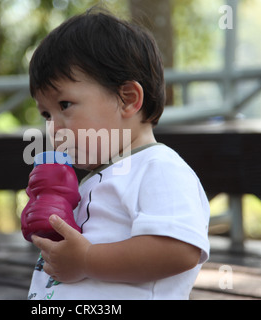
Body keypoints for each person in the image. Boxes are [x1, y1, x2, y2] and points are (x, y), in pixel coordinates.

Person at [26, 8, 210, 300]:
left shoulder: (158, 168)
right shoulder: (93, 180)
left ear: (128, 99)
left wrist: (86, 260)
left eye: (64, 105)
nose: (53, 127)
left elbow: (180, 249)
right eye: (46, 114)